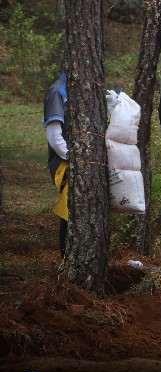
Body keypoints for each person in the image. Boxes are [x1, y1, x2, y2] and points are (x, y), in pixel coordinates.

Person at [42, 72, 69, 258]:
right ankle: (67, 258)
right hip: (64, 164)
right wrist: (72, 158)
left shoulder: (84, 88)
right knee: (71, 210)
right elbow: (54, 135)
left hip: (79, 162)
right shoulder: (58, 92)